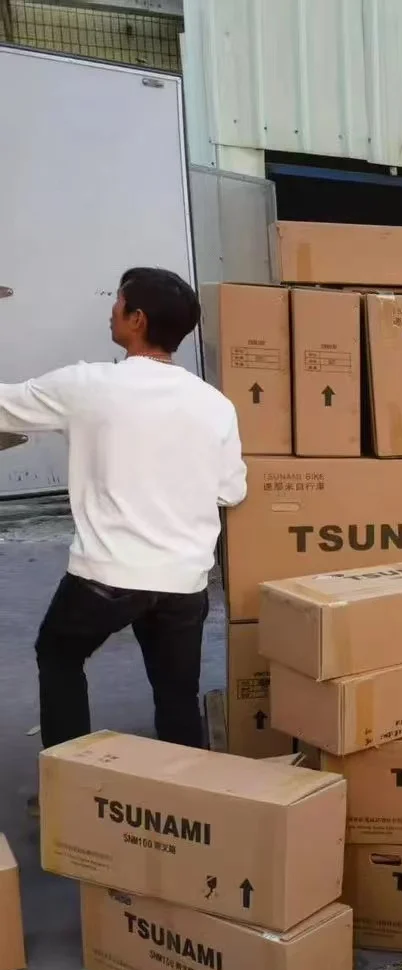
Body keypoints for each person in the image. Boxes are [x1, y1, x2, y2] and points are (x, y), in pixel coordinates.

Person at [0, 267, 246, 761]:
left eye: (117, 302)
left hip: (108, 577)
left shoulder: (87, 385)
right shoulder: (216, 404)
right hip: (184, 580)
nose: (110, 310)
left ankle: (71, 778)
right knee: (177, 693)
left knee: (59, 654)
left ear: (137, 319)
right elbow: (231, 491)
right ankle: (192, 786)